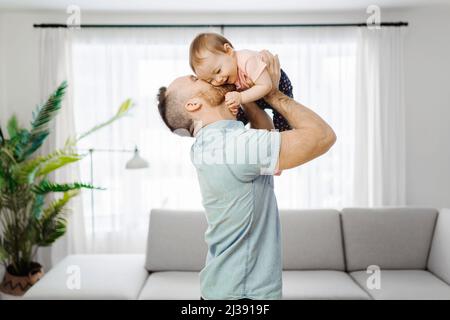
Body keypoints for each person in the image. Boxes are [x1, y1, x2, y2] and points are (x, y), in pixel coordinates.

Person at [157, 51, 336, 300]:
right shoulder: (232, 146)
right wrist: (272, 92)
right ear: (193, 105)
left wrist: (249, 95)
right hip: (244, 296)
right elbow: (323, 136)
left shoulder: (209, 145)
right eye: (195, 78)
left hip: (227, 290)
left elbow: (265, 136)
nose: (206, 76)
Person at [189, 32, 293, 132]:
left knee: (283, 121)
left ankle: (287, 143)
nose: (218, 80)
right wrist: (233, 105)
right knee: (235, 120)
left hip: (277, 87)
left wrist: (240, 97)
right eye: (210, 80)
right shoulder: (228, 74)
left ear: (229, 51)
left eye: (218, 71)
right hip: (254, 95)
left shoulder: (247, 59)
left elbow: (266, 86)